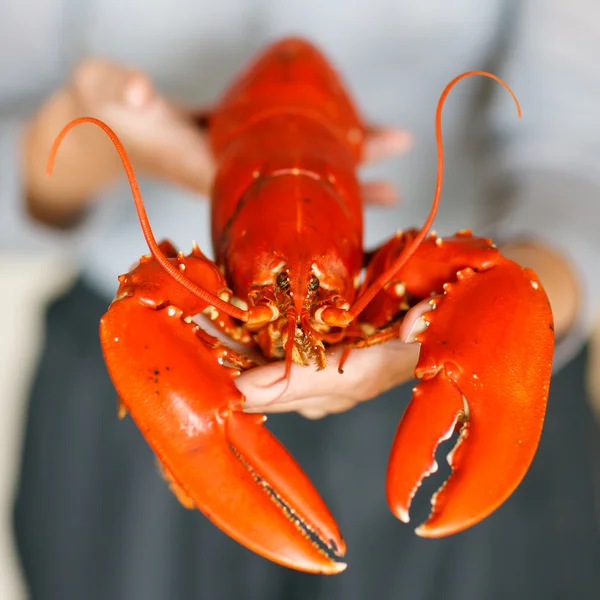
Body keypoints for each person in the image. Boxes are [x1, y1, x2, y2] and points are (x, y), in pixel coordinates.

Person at [2, 0, 599, 598]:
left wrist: (529, 296)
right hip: (149, 401)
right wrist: (71, 148)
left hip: (468, 376)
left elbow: (576, 158)